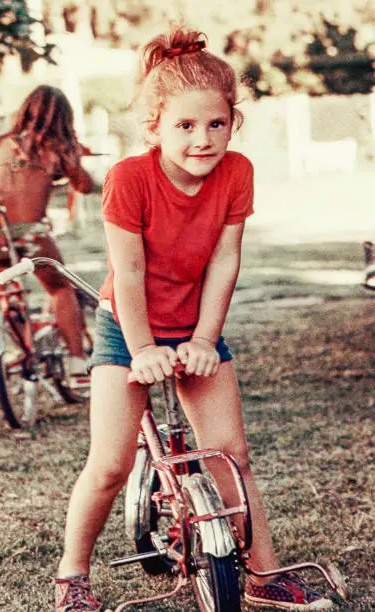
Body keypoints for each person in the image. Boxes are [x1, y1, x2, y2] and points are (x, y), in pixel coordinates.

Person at [55, 26, 333, 611]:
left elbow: (225, 258)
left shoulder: (237, 172)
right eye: (184, 126)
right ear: (153, 127)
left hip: (194, 322)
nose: (203, 139)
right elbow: (127, 275)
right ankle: (72, 575)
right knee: (108, 462)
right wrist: (142, 349)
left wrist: (205, 337)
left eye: (216, 123)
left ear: (233, 122)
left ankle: (263, 574)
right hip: (126, 325)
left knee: (231, 453)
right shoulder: (129, 179)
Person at [0, 85, 94, 385]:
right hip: (30, 236)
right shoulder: (57, 150)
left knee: (3, 291)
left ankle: (16, 340)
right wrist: (73, 159)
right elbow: (84, 185)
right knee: (60, 289)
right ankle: (79, 364)